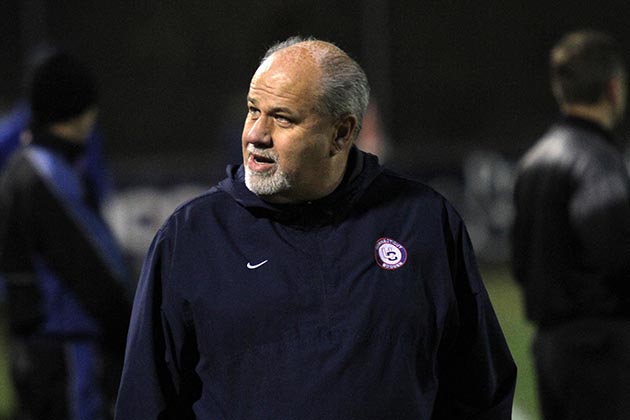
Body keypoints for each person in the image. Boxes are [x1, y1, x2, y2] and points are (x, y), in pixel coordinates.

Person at [115, 36, 516, 419]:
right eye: (253, 110)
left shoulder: (424, 222)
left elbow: (478, 391)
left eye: (282, 119)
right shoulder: (191, 237)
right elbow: (146, 402)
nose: (256, 134)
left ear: (340, 133)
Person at [0, 50, 132, 420]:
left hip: (38, 353)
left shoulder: (25, 165)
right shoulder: (48, 174)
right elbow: (97, 274)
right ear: (79, 108)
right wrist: (134, 331)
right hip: (65, 357)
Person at [512, 29, 630, 420]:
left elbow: (520, 264)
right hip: (601, 352)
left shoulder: (532, 161)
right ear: (613, 89)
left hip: (549, 350)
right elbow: (618, 258)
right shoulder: (598, 161)